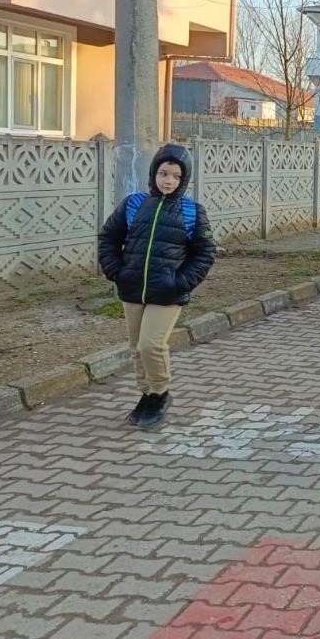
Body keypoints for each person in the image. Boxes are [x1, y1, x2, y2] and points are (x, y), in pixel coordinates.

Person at [97, 144, 217, 430]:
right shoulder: (134, 204)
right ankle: (146, 394)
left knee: (151, 344)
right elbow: (108, 238)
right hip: (132, 288)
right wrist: (116, 271)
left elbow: (205, 253)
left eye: (176, 176)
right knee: (137, 348)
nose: (168, 180)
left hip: (167, 293)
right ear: (154, 173)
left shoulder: (192, 212)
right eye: (163, 173)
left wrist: (180, 283)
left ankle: (161, 394)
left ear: (183, 180)